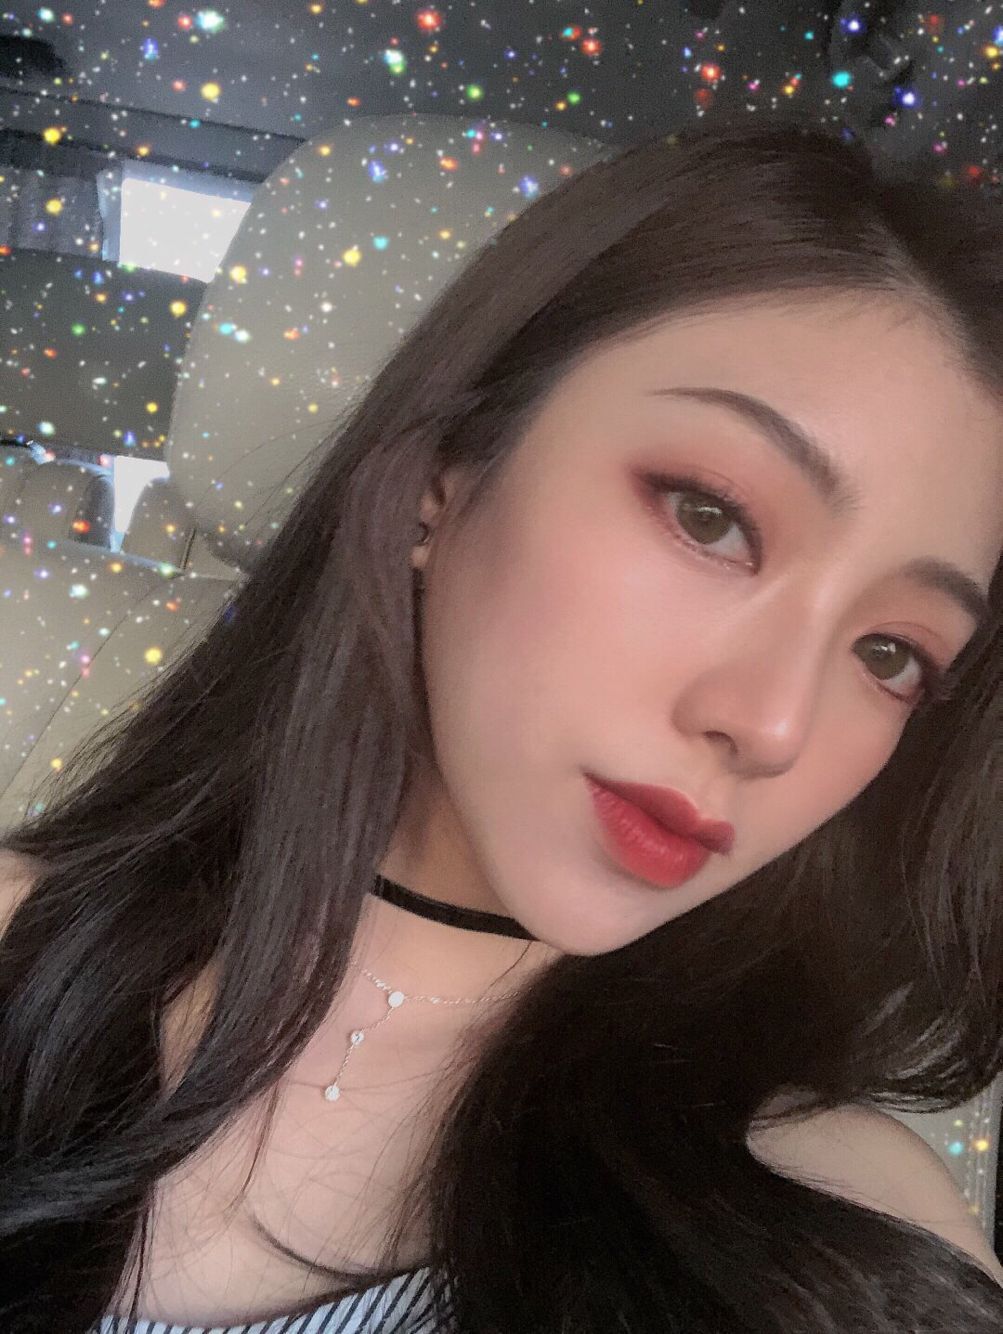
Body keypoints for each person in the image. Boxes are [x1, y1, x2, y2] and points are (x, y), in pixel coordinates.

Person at [1, 112, 1002, 1334]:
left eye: (891, 653)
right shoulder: (19, 954)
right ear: (443, 474)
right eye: (709, 516)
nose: (773, 723)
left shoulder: (834, 1223)